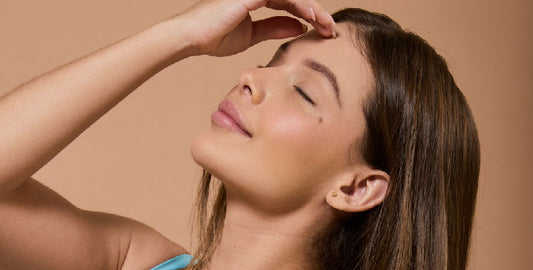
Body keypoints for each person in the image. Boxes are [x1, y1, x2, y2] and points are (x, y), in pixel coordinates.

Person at [0, 0, 480, 269]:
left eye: (306, 93)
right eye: (274, 61)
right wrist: (179, 35)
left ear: (357, 187)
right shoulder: (132, 260)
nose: (252, 77)